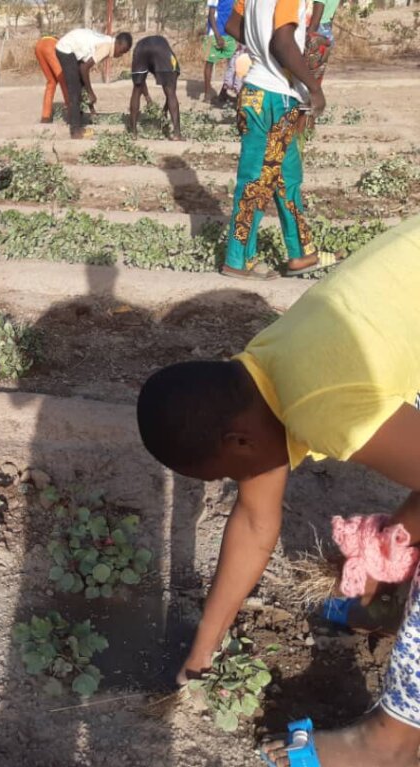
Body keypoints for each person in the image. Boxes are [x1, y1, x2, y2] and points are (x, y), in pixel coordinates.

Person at [137, 216, 420, 767]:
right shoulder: (264, 373)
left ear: (238, 441)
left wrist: (383, 550)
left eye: (223, 474)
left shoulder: (322, 405)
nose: (236, 484)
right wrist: (203, 650)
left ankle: (392, 742)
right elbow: (254, 522)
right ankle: (385, 606)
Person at [220, 0, 338, 280]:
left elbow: (232, 24)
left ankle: (301, 254)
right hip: (273, 97)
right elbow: (282, 42)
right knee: (256, 181)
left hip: (260, 92)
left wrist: (259, 47)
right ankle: (238, 259)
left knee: (288, 177)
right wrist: (314, 87)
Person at [54, 29, 133, 139]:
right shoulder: (106, 47)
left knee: (79, 84)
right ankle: (75, 131)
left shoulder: (108, 43)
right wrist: (91, 93)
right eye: (122, 51)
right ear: (118, 43)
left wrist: (92, 109)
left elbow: (83, 70)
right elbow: (84, 68)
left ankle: (77, 119)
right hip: (66, 49)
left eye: (124, 53)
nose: (120, 55)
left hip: (73, 49)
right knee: (75, 91)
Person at [128, 35, 183, 140]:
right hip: (160, 48)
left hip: (140, 48)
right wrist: (164, 111)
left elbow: (140, 82)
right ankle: (177, 134)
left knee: (136, 90)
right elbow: (171, 93)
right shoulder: (173, 64)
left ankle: (133, 132)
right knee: (170, 92)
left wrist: (148, 97)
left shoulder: (169, 58)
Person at [204, 0, 239, 101]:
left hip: (229, 33)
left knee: (233, 64)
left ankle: (223, 92)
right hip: (213, 34)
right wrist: (217, 35)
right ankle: (207, 94)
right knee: (209, 62)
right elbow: (211, 14)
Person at [35, 35, 69, 124]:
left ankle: (45, 116)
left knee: (51, 82)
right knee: (63, 79)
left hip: (39, 45)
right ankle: (71, 111)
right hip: (50, 45)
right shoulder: (63, 44)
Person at [306, 0, 339, 84]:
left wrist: (308, 38)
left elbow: (315, 22)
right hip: (324, 29)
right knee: (313, 81)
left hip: (314, 31)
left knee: (307, 81)